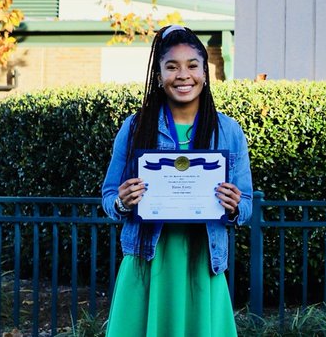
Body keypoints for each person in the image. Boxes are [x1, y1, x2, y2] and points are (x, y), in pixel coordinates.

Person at [101, 25, 254, 337]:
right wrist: (122, 201)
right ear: (159, 75)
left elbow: (247, 205)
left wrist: (235, 205)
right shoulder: (134, 128)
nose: (183, 75)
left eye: (192, 66)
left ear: (205, 72)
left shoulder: (228, 131)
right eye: (172, 67)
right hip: (148, 261)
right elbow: (108, 197)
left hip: (202, 262)